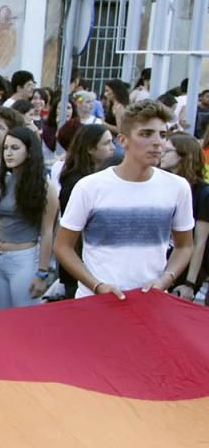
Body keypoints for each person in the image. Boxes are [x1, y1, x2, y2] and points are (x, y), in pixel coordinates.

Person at [55, 100, 193, 299]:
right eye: (146, 134)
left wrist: (165, 280)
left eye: (162, 135)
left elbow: (185, 246)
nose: (157, 142)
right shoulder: (90, 187)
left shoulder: (178, 187)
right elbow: (63, 246)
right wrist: (97, 285)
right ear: (123, 140)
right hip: (96, 303)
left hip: (150, 301)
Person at [0, 127, 59, 309]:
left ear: (29, 152)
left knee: (24, 320)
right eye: (6, 148)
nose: (8, 153)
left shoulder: (45, 188)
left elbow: (47, 232)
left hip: (25, 259)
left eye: (15, 148)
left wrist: (42, 273)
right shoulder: (0, 185)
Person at [55, 124, 114, 298]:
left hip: (96, 265)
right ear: (90, 148)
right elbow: (73, 230)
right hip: (80, 267)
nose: (113, 148)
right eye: (107, 143)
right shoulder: (77, 183)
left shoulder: (101, 178)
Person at [163, 134, 208, 302]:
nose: (161, 153)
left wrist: (190, 283)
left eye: (167, 150)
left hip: (183, 270)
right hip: (159, 263)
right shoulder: (163, 184)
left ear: (184, 155)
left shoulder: (203, 193)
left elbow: (199, 242)